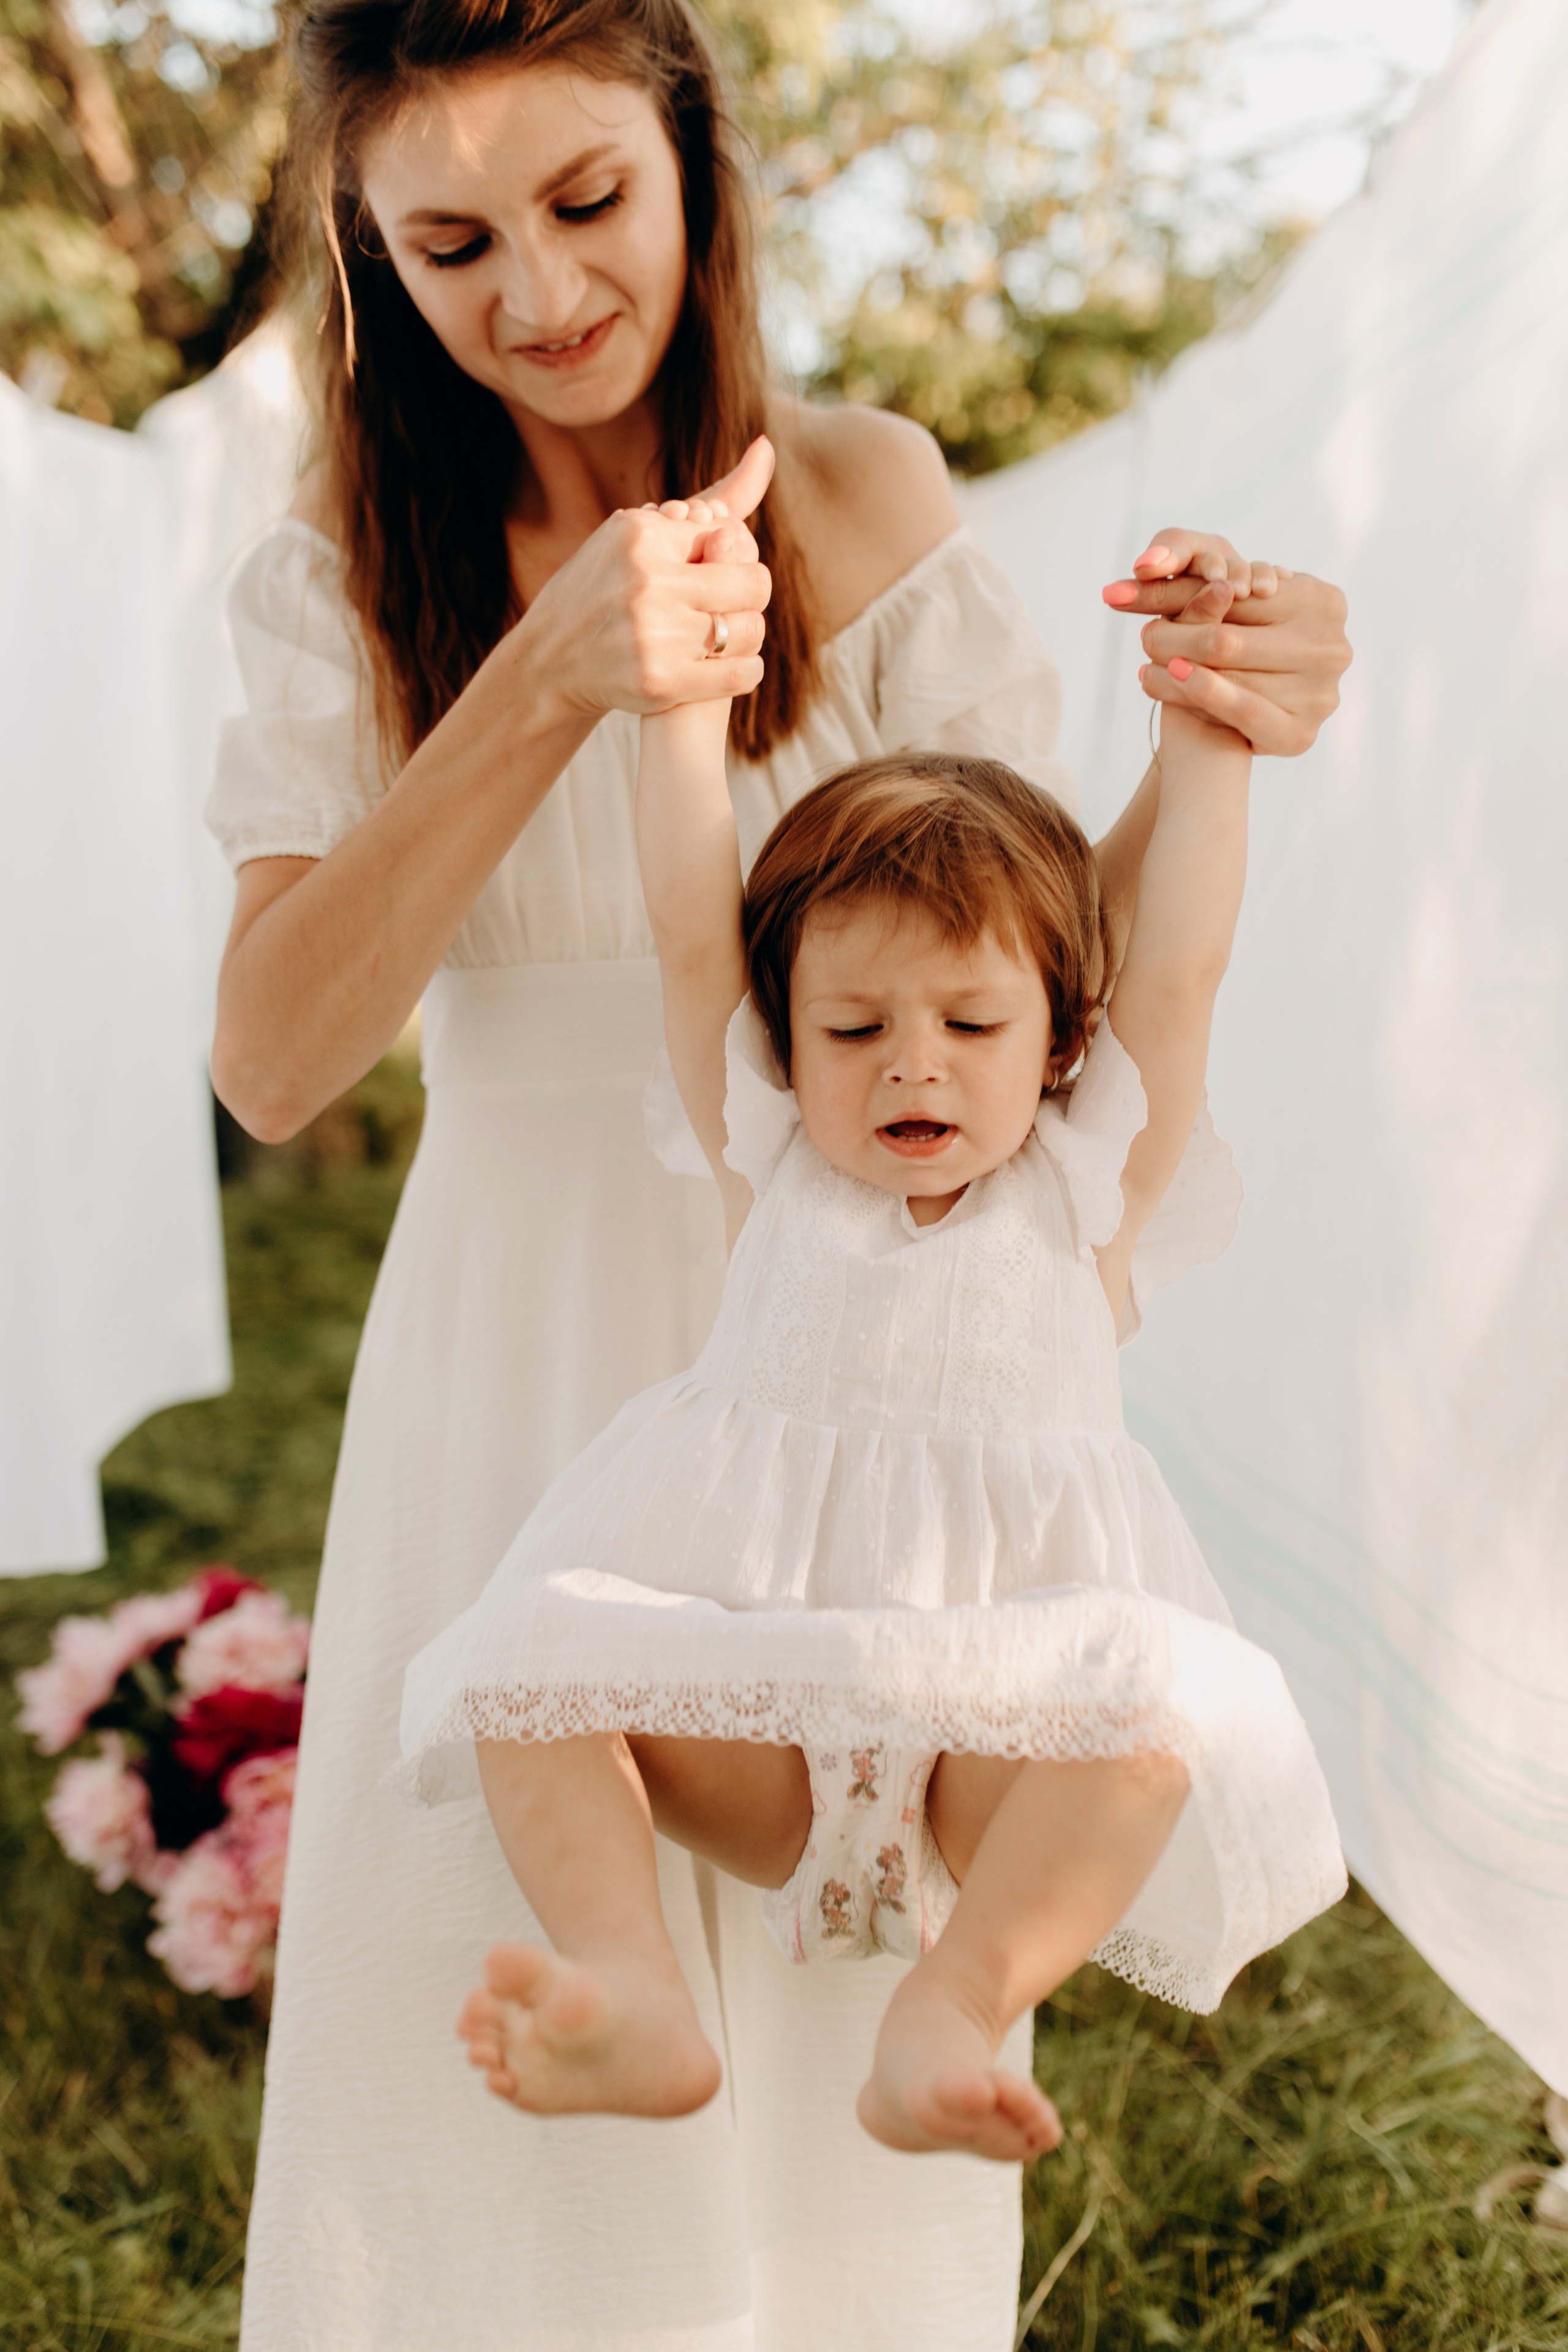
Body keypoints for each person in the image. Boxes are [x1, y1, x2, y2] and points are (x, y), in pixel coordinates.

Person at [205, 0, 1353, 2339]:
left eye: (587, 201)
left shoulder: (867, 496)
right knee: (510, 1951)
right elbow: (274, 1064)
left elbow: (1045, 973)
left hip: (870, 1357)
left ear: (701, 169)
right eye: (448, 242)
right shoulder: (342, 563)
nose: (534, 293)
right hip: (518, 1330)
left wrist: (1221, 725)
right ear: (371, 257)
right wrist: (545, 679)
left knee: (840, 2067)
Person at [398, 481, 1345, 2168]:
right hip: (758, 1721)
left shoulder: (1083, 1193)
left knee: (1155, 1721)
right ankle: (629, 1990)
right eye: (852, 1026)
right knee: (529, 1657)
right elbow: (697, 925)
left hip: (991, 1747)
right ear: (790, 1040)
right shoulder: (775, 1160)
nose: (910, 1061)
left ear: (1061, 1041)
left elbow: (1179, 965)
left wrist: (1208, 721)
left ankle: (951, 2009)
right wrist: (686, 699)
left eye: (970, 1021)